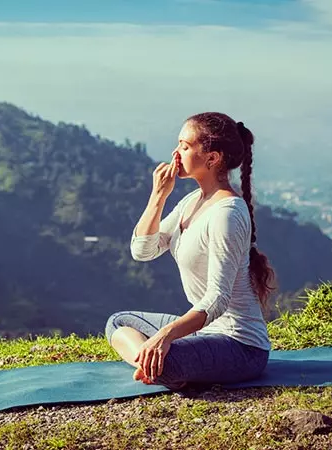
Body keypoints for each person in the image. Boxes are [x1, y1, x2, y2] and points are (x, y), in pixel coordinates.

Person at [104, 112, 275, 390]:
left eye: (185, 146)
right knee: (119, 322)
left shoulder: (226, 214)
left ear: (213, 158)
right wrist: (158, 196)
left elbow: (217, 299)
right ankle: (152, 366)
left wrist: (166, 335)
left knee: (166, 358)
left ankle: (159, 366)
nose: (175, 153)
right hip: (206, 332)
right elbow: (142, 251)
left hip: (241, 347)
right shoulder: (192, 201)